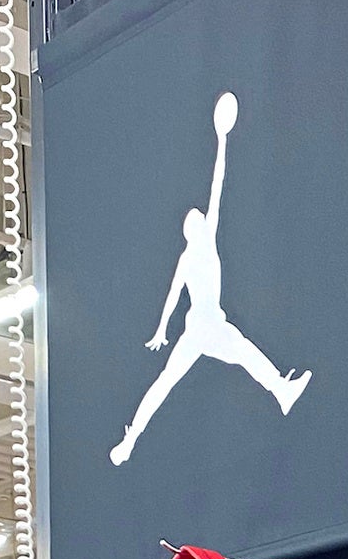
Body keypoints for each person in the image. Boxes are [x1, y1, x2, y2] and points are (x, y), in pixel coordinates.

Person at [111, 93, 311, 465]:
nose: (203, 217)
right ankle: (131, 440)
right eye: (197, 218)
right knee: (232, 357)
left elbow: (217, 185)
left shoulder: (198, 249)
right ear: (193, 228)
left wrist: (222, 139)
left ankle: (130, 440)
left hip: (201, 327)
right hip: (206, 325)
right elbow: (174, 293)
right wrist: (161, 328)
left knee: (172, 379)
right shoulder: (197, 250)